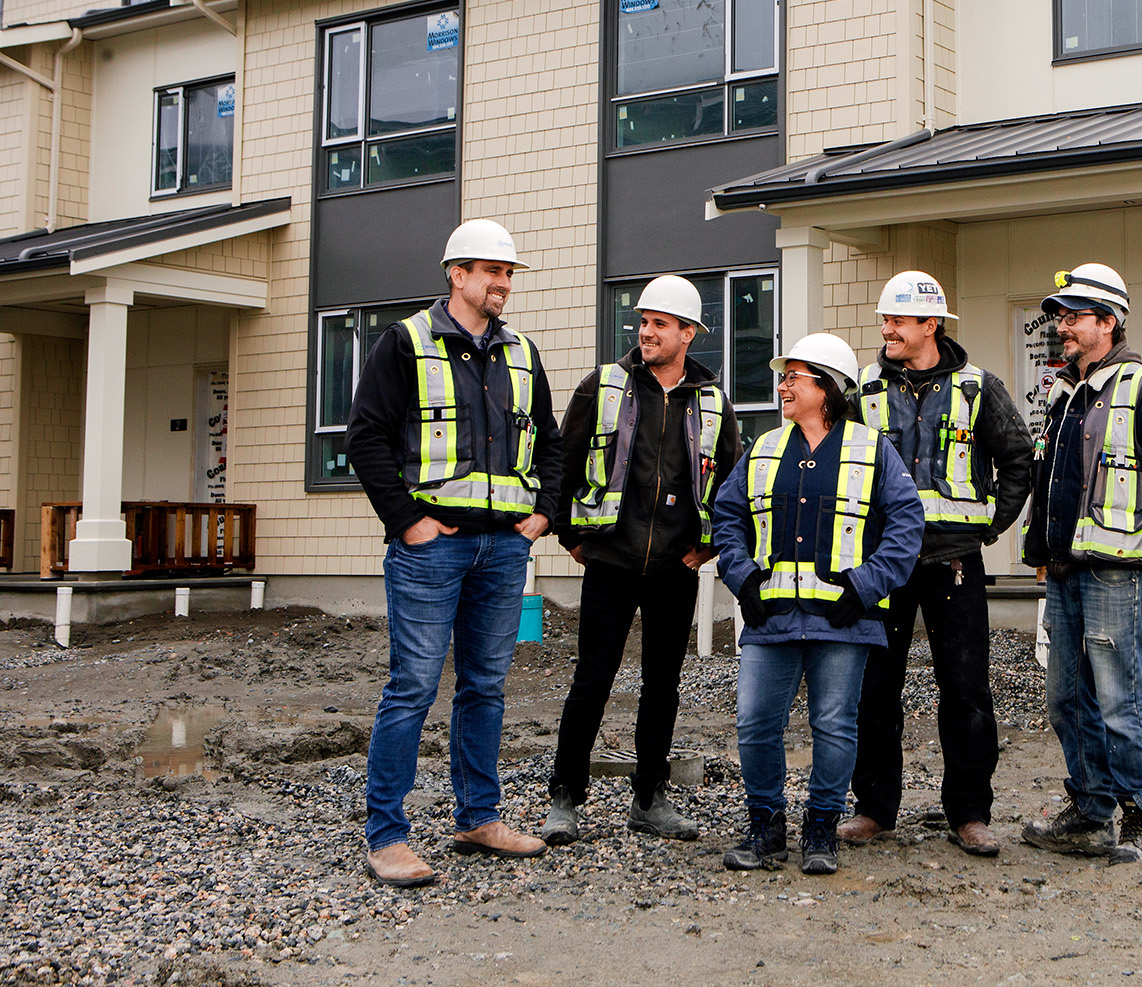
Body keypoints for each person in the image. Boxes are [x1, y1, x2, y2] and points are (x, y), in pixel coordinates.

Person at [346, 218, 563, 887]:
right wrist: (407, 521)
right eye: (491, 271)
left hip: (502, 548)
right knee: (411, 687)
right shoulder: (405, 343)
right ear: (456, 274)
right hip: (430, 548)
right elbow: (366, 438)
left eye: (506, 273)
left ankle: (478, 815)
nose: (501, 284)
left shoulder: (521, 353)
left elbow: (550, 444)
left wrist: (543, 513)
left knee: (485, 687)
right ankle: (386, 834)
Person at [711, 333, 924, 875]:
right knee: (756, 723)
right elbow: (727, 518)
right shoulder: (763, 448)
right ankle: (765, 830)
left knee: (834, 725)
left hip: (843, 620)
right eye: (783, 377)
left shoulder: (872, 448)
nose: (782, 386)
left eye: (793, 377)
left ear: (828, 388)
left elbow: (906, 524)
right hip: (772, 617)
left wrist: (866, 586)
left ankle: (821, 830)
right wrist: (743, 579)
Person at [539, 275, 741, 846]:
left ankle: (650, 798)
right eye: (644, 321)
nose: (646, 332)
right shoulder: (604, 386)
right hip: (610, 561)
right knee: (592, 680)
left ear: (689, 334)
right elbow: (561, 460)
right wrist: (570, 538)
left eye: (660, 324)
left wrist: (706, 549)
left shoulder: (712, 403)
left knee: (663, 685)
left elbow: (732, 484)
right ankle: (565, 797)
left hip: (675, 569)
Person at [839, 271, 1033, 857]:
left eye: (898, 320)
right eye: (885, 320)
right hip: (881, 566)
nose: (886, 330)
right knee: (875, 689)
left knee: (967, 691)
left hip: (954, 562)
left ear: (931, 325)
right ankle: (875, 808)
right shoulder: (864, 390)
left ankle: (970, 812)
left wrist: (990, 525)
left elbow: (1019, 460)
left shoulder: (980, 389)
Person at [1018, 263, 1142, 865]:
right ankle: (1092, 812)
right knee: (1067, 699)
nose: (1062, 326)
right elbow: (1051, 484)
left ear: (1109, 321)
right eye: (1061, 317)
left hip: (1120, 573)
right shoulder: (1064, 392)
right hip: (1068, 571)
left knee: (1120, 698)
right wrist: (1040, 556)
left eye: (1074, 317)